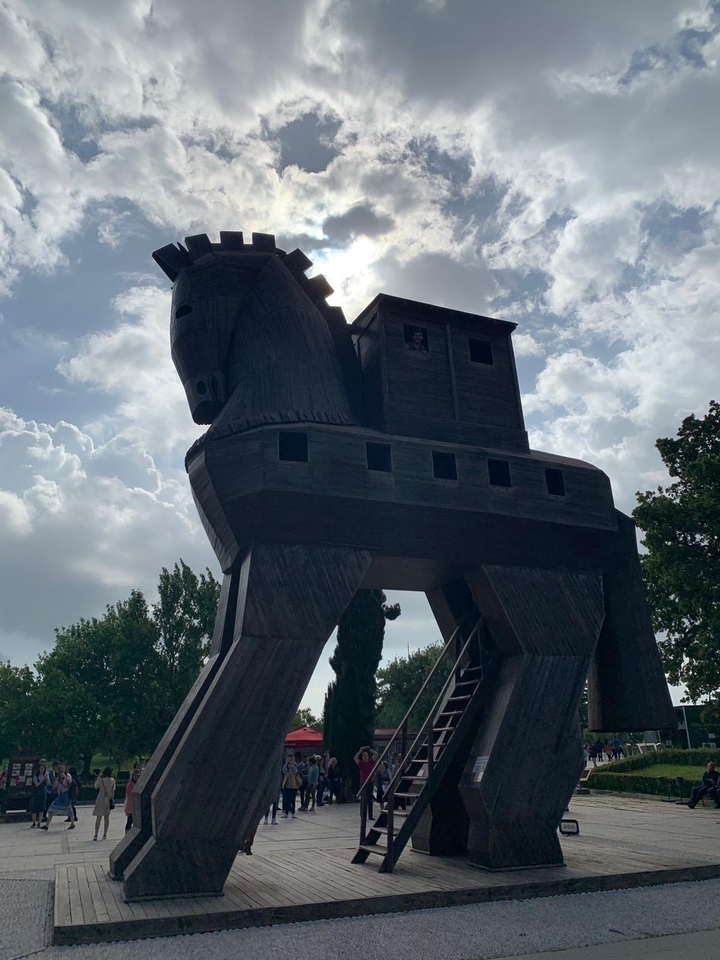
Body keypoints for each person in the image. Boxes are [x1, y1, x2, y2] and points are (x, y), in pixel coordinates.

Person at [41, 764, 74, 830]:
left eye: (63, 768)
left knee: (66, 809)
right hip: (60, 795)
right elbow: (55, 785)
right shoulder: (58, 778)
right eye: (60, 768)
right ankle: (47, 825)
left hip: (66, 794)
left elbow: (70, 782)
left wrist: (64, 776)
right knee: (55, 809)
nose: (61, 769)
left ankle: (72, 823)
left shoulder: (68, 775)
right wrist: (52, 789)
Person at [354, 745, 378, 819]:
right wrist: (360, 750)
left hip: (370, 782)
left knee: (370, 799)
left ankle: (370, 815)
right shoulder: (361, 763)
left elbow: (376, 755)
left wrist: (369, 749)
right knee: (363, 799)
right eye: (364, 756)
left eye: (366, 755)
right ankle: (362, 814)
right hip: (363, 782)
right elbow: (355, 758)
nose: (365, 757)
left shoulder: (371, 762)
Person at [92, 766, 116, 840]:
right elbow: (113, 791)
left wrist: (99, 776)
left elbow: (95, 786)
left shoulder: (102, 780)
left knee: (98, 818)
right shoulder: (112, 780)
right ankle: (105, 834)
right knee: (107, 817)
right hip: (108, 799)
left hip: (100, 798)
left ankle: (96, 834)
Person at [30, 763, 49, 828]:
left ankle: (39, 822)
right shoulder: (36, 776)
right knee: (34, 809)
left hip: (43, 793)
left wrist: (46, 778)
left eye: (43, 769)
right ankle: (34, 822)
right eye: (40, 768)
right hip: (36, 793)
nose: (42, 770)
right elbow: (36, 784)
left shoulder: (45, 775)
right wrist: (42, 780)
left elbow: (48, 784)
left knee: (41, 808)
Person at [124, 767, 141, 832]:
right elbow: (129, 795)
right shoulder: (130, 785)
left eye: (138, 776)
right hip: (131, 806)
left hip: (137, 806)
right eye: (136, 776)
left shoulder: (139, 784)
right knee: (130, 821)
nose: (137, 777)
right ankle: (126, 835)